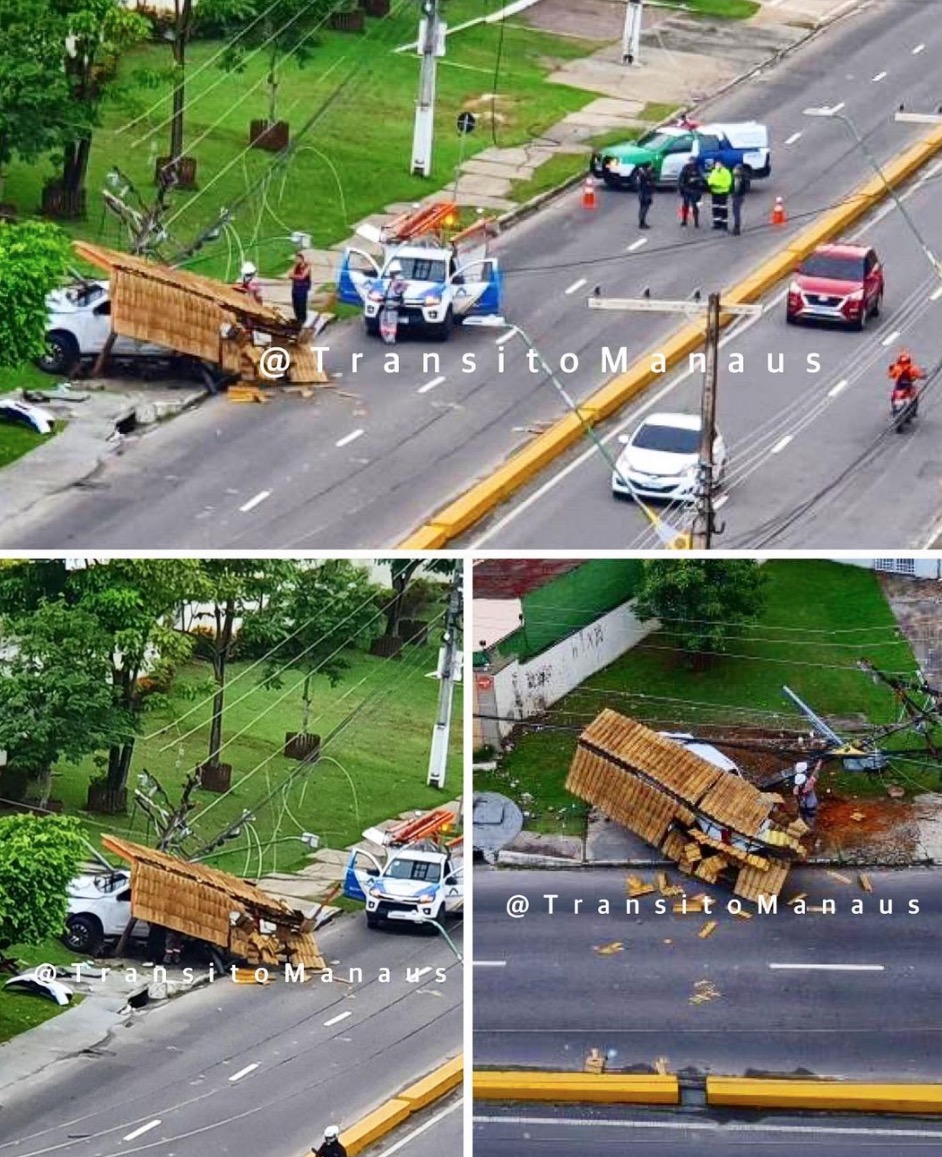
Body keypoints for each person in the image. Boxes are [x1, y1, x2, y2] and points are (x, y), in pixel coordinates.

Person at [706, 160, 732, 231]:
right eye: (716, 164)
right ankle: (717, 223)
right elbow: (710, 179)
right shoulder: (714, 171)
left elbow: (727, 183)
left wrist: (717, 185)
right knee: (715, 208)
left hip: (722, 193)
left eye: (718, 164)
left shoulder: (726, 172)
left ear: (722, 165)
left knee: (723, 208)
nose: (716, 165)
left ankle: (724, 225)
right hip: (714, 193)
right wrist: (710, 183)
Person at [793, 760, 821, 824]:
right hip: (811, 803)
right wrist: (818, 765)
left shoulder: (795, 789)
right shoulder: (808, 785)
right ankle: (810, 827)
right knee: (811, 816)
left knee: (803, 814)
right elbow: (815, 775)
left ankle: (803, 824)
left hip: (802, 804)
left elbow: (797, 798)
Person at [678, 157, 703, 227]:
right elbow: (680, 177)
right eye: (690, 160)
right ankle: (684, 221)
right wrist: (680, 186)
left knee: (694, 206)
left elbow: (702, 177)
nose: (691, 162)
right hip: (686, 189)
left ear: (695, 161)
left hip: (695, 190)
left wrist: (695, 179)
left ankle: (696, 222)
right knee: (685, 206)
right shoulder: (685, 167)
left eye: (692, 160)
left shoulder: (698, 167)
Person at [290, 250, 312, 327]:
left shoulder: (307, 266)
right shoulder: (296, 266)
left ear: (302, 259)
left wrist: (294, 276)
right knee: (295, 306)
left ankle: (303, 322)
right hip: (295, 289)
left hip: (302, 290)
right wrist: (294, 266)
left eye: (297, 259)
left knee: (301, 306)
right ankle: (298, 320)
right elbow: (289, 274)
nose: (296, 261)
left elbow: (303, 276)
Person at [730, 164, 747, 236]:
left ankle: (737, 228)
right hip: (737, 196)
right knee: (735, 212)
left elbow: (739, 189)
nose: (734, 171)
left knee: (736, 212)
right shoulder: (737, 178)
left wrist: (735, 193)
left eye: (736, 169)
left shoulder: (740, 179)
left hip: (738, 197)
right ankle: (736, 227)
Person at [636, 162, 654, 229]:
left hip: (641, 193)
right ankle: (642, 223)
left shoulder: (640, 173)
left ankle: (641, 222)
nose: (651, 167)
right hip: (646, 193)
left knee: (641, 208)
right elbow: (650, 183)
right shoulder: (646, 174)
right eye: (650, 166)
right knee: (645, 208)